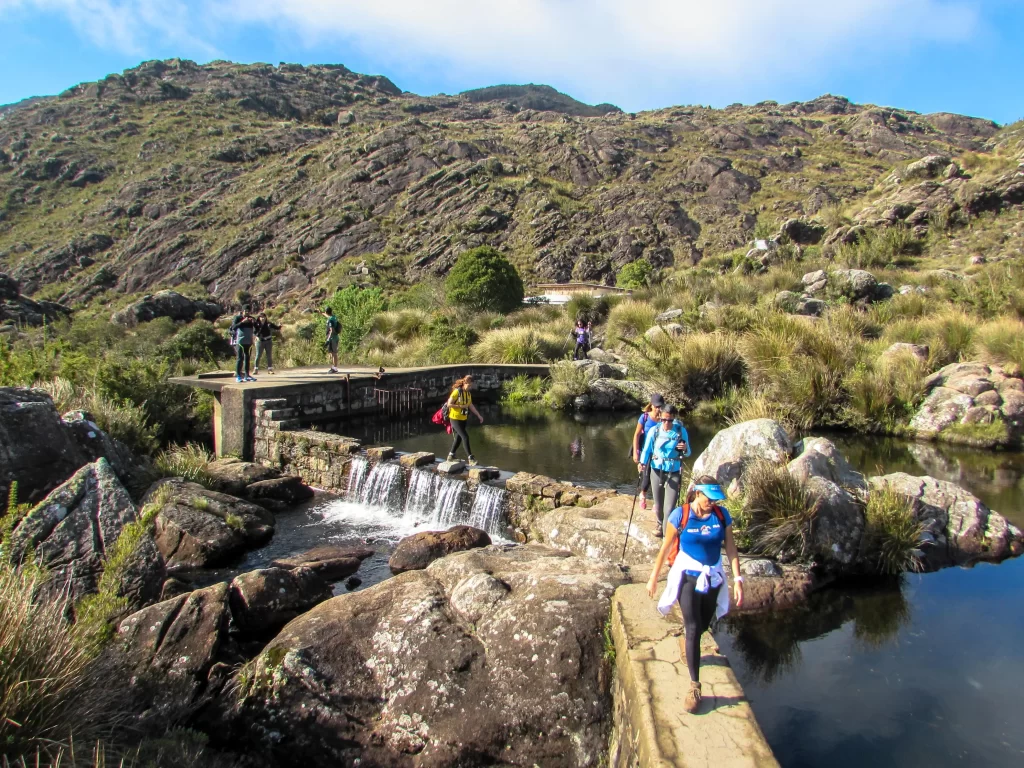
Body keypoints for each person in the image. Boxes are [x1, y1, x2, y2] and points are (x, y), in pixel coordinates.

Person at [646, 477, 743, 714]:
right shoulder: (681, 515)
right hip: (687, 575)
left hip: (712, 576)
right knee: (691, 626)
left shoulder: (722, 516)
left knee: (701, 625)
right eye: (708, 498)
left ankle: (687, 645)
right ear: (696, 493)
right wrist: (653, 577)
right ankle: (694, 686)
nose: (712, 502)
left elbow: (730, 548)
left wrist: (738, 580)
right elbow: (666, 547)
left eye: (715, 499)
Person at [638, 403, 690, 537]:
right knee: (659, 505)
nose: (667, 423)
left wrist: (684, 449)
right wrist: (642, 463)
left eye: (670, 420)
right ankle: (660, 524)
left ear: (674, 418)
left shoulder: (680, 431)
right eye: (664, 420)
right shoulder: (654, 431)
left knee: (669, 508)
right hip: (656, 470)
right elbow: (647, 449)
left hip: (673, 471)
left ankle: (667, 538)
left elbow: (688, 452)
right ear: (660, 417)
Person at [631, 393, 665, 511]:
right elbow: (636, 435)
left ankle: (657, 501)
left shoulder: (664, 419)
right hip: (646, 452)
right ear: (651, 405)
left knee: (660, 477)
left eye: (660, 406)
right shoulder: (644, 417)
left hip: (660, 453)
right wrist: (636, 453)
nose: (658, 409)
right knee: (646, 476)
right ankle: (643, 495)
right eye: (656, 406)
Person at [445, 375, 484, 465]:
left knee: (458, 438)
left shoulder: (468, 394)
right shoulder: (457, 392)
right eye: (469, 385)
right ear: (464, 383)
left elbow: (470, 405)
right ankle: (470, 458)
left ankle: (451, 456)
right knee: (465, 437)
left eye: (471, 386)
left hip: (463, 418)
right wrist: (460, 406)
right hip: (455, 418)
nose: (470, 387)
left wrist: (479, 415)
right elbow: (449, 404)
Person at [230, 307, 257, 383]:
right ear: (242, 311)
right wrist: (242, 322)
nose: (247, 312)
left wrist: (254, 323)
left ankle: (247, 375)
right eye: (245, 311)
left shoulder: (251, 319)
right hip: (240, 342)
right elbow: (233, 327)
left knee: (247, 359)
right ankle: (238, 375)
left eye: (248, 311)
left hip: (249, 342)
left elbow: (257, 329)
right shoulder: (238, 318)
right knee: (240, 358)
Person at [321, 306, 341, 374]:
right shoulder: (333, 317)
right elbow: (327, 315)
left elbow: (331, 330)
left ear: (326, 312)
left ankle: (334, 368)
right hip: (335, 337)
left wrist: (328, 340)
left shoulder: (330, 320)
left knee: (334, 353)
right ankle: (333, 367)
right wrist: (320, 312)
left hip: (332, 338)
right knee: (333, 353)